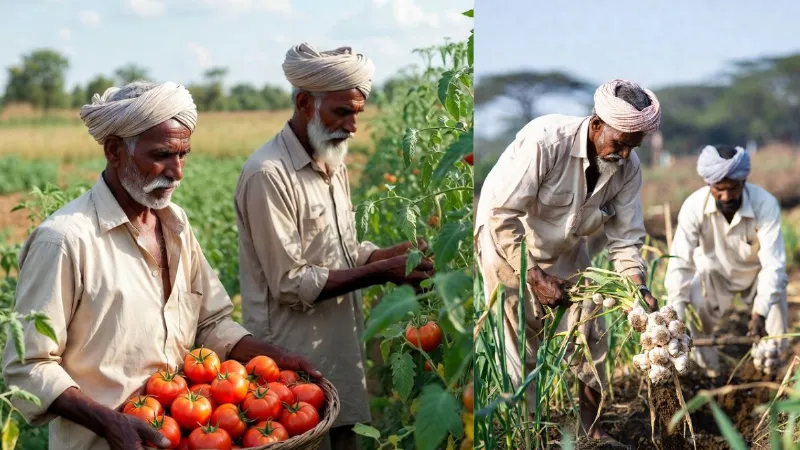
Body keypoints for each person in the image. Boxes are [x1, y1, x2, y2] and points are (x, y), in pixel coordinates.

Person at [1, 81, 320, 450]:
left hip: (182, 435)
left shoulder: (175, 224)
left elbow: (211, 322)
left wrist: (274, 357)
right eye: (162, 155)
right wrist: (110, 423)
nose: (177, 171)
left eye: (183, 155)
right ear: (115, 150)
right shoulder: (65, 240)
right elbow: (28, 366)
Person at [234, 43, 433, 450]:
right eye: (342, 112)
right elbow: (290, 283)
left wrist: (394, 255)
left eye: (357, 112)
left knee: (346, 438)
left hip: (342, 346)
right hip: (292, 355)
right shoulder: (268, 174)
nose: (352, 125)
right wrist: (382, 271)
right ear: (305, 102)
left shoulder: (331, 159)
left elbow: (344, 251)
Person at [475, 79, 662, 442]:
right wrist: (533, 274)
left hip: (566, 245)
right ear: (596, 125)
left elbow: (624, 239)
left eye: (632, 147)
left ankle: (592, 431)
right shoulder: (545, 141)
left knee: (590, 327)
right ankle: (525, 431)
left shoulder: (628, 167)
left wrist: (637, 287)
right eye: (619, 144)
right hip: (510, 239)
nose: (623, 155)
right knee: (514, 334)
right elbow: (502, 215)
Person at [665, 144, 788, 376]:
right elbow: (680, 262)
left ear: (744, 181)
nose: (727, 196)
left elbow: (774, 264)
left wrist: (759, 312)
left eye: (733, 188)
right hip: (714, 276)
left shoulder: (765, 204)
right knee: (694, 301)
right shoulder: (693, 206)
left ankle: (768, 375)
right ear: (708, 184)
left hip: (756, 275)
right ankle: (710, 374)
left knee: (775, 317)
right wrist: (676, 316)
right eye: (719, 189)